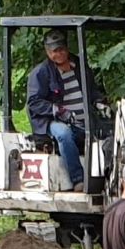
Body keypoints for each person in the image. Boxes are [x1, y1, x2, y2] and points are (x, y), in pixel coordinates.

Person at [26, 29, 106, 192]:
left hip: (84, 120)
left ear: (67, 48)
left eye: (61, 49)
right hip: (52, 121)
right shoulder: (41, 73)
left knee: (109, 133)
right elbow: (34, 103)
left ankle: (105, 179)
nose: (59, 54)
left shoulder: (80, 66)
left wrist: (99, 102)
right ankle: (78, 179)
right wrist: (57, 110)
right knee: (63, 134)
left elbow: (92, 89)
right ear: (48, 53)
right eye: (54, 51)